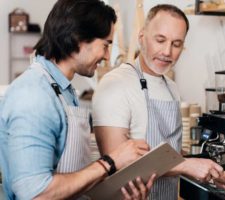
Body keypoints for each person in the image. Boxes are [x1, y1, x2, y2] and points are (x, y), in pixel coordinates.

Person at [0, 0, 156, 199]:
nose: (107, 56)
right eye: (105, 45)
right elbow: (36, 194)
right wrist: (110, 162)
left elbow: (73, 180)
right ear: (77, 39)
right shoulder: (34, 96)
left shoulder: (63, 90)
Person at [92, 4, 225, 200]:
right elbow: (117, 165)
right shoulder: (115, 84)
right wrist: (187, 167)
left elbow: (173, 152)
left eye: (176, 43)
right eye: (160, 40)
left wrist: (215, 174)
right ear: (142, 37)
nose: (167, 51)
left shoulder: (171, 87)